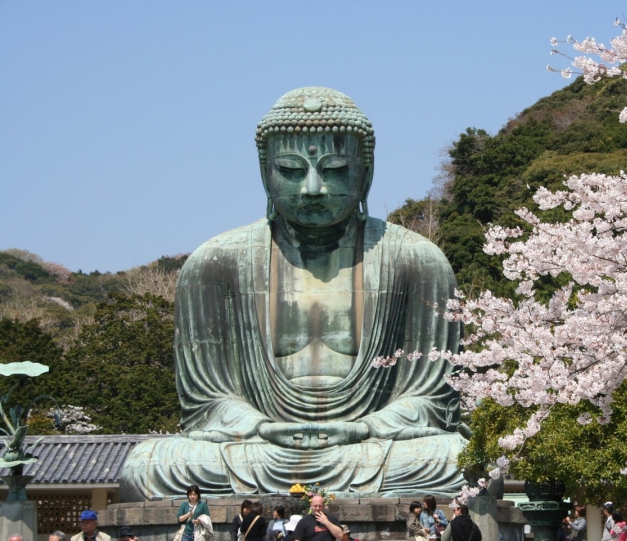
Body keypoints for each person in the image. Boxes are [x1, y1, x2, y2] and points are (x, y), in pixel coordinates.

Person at [120, 87, 467, 501]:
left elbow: (431, 398)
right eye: (291, 169)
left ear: (366, 171)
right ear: (264, 172)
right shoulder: (215, 263)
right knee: (149, 465)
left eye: (335, 168)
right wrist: (259, 426)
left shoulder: (417, 261)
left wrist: (366, 427)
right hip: (259, 445)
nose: (313, 188)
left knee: (459, 458)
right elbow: (205, 401)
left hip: (370, 445)